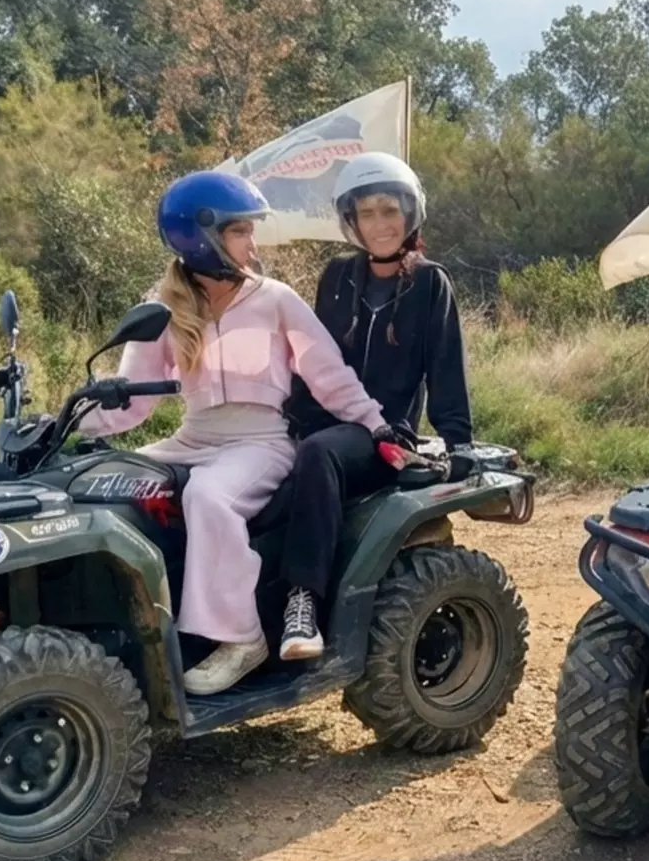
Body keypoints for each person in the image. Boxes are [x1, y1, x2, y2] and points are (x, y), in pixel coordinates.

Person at [81, 171, 409, 695]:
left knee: (210, 498)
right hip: (193, 437)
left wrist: (376, 424)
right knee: (104, 481)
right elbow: (133, 396)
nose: (252, 245)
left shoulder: (275, 299)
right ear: (202, 236)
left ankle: (242, 638)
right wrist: (68, 425)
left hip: (260, 441)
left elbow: (328, 375)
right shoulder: (163, 308)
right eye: (241, 232)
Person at [275, 152, 474, 661]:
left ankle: (303, 604)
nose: (379, 224)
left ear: (410, 214)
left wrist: (459, 441)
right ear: (351, 221)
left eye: (389, 211)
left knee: (319, 455)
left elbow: (445, 368)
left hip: (383, 432)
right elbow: (312, 358)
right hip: (322, 419)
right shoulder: (336, 277)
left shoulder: (431, 283)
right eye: (367, 213)